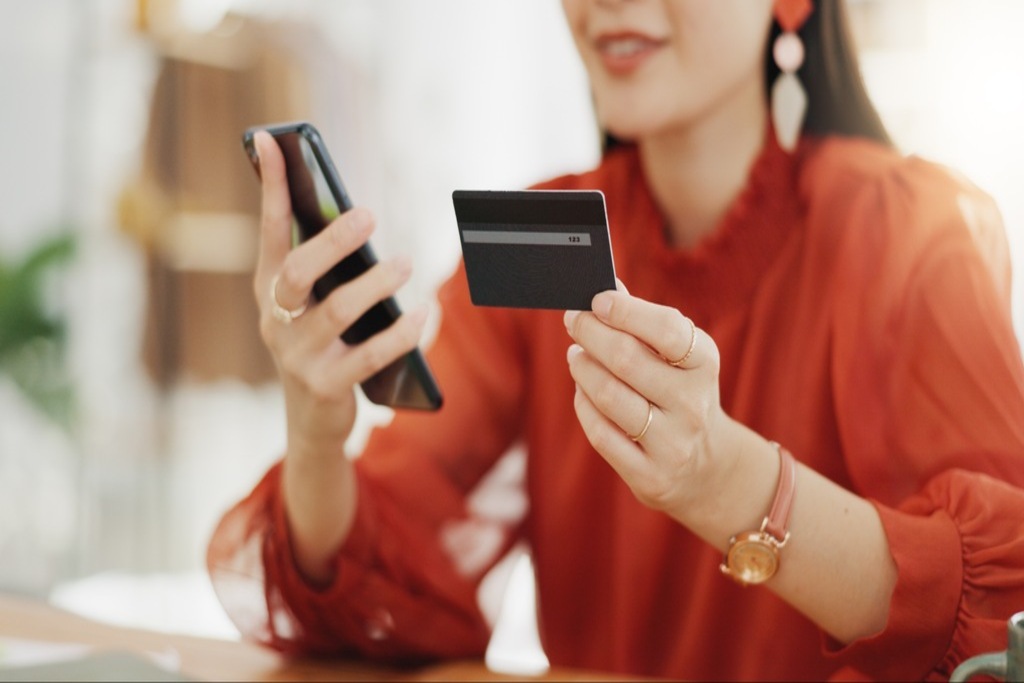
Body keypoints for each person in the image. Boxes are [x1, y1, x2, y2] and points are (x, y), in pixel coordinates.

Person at [207, 0, 1024, 679]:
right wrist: (316, 434)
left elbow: (1005, 615)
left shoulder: (910, 234)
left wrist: (730, 481)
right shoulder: (534, 241)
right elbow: (381, 578)